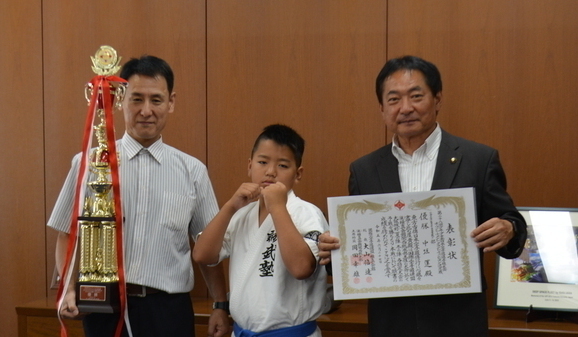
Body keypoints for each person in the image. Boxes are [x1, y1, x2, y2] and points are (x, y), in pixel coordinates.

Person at [318, 55, 527, 337]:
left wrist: (509, 228)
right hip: (391, 322)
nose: (405, 108)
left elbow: (512, 225)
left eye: (416, 96)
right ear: (381, 108)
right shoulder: (364, 170)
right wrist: (334, 253)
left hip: (458, 320)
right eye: (393, 99)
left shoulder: (478, 159)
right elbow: (360, 248)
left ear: (437, 99)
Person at [47, 55, 229, 337]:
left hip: (169, 311)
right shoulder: (91, 163)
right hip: (103, 307)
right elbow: (66, 233)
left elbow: (208, 247)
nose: (146, 110)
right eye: (136, 99)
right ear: (120, 100)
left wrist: (220, 303)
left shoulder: (192, 171)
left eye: (156, 100)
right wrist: (68, 289)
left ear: (171, 102)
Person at [193, 124, 328, 337]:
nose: (271, 172)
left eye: (283, 166)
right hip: (242, 331)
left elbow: (302, 268)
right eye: (262, 162)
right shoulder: (241, 215)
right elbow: (202, 254)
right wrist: (229, 207)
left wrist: (277, 206)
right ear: (249, 165)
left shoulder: (306, 213)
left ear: (298, 174)